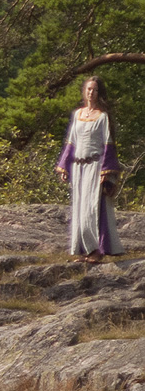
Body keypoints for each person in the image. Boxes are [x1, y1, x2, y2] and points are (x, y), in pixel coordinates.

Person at [57, 76, 125, 263]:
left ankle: (97, 250)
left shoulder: (102, 117)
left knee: (91, 209)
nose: (91, 93)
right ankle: (84, 249)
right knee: (79, 209)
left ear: (99, 93)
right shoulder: (77, 114)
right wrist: (64, 166)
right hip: (78, 167)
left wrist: (107, 172)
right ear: (84, 91)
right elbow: (71, 142)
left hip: (95, 167)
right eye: (88, 89)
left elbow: (108, 144)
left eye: (94, 90)